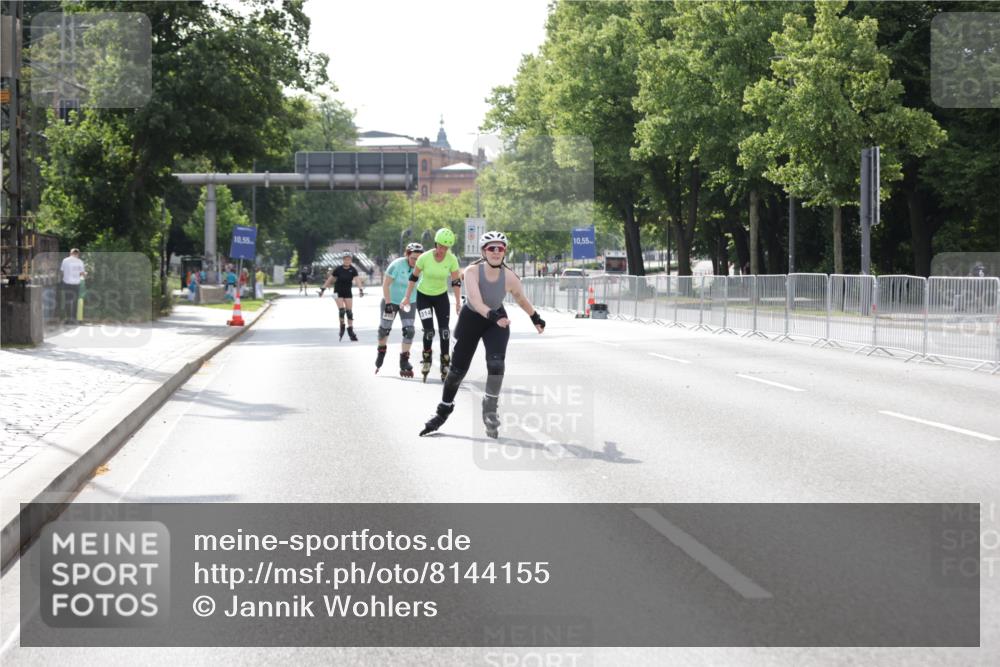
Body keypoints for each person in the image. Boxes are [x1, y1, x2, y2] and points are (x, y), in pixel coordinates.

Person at [420, 231, 545, 438]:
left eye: (500, 248)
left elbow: (521, 299)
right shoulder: (471, 271)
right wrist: (493, 315)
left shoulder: (510, 277)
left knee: (496, 365)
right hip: (472, 320)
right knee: (456, 372)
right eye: (491, 248)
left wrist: (536, 318)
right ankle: (443, 411)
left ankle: (490, 408)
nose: (496, 252)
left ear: (505, 252)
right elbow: (476, 302)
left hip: (496, 322)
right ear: (483, 251)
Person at [400, 228, 462, 382]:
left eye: (446, 248)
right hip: (424, 297)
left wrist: (458, 302)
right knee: (429, 332)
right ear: (435, 244)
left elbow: (456, 281)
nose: (442, 250)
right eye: (440, 246)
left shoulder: (451, 259)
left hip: (441, 297)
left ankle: (445, 363)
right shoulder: (424, 258)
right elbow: (413, 278)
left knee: (444, 331)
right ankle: (426, 358)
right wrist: (407, 297)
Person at [376, 243, 423, 376]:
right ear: (407, 255)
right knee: (384, 330)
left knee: (409, 331)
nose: (416, 262)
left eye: (419, 259)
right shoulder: (396, 265)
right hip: (391, 300)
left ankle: (404, 360)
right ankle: (381, 350)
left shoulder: (422, 267)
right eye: (413, 258)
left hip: (409, 302)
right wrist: (388, 303)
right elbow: (386, 284)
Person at [319, 253, 366, 341]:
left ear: (351, 260)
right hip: (338, 291)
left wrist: (361, 290)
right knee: (342, 311)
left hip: (347, 292)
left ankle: (351, 330)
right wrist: (323, 289)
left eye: (349, 259)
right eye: (345, 259)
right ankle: (342, 326)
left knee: (349, 312)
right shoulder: (338, 269)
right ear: (343, 260)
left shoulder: (353, 270)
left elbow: (357, 280)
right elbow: (330, 279)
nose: (347, 261)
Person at [58, 248, 86, 324]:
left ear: (70, 253)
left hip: (66, 283)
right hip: (76, 284)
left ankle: (68, 319)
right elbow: (82, 273)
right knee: (75, 302)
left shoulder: (65, 260)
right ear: (78, 254)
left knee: (67, 301)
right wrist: (84, 274)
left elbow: (62, 271)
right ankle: (74, 319)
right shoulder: (80, 261)